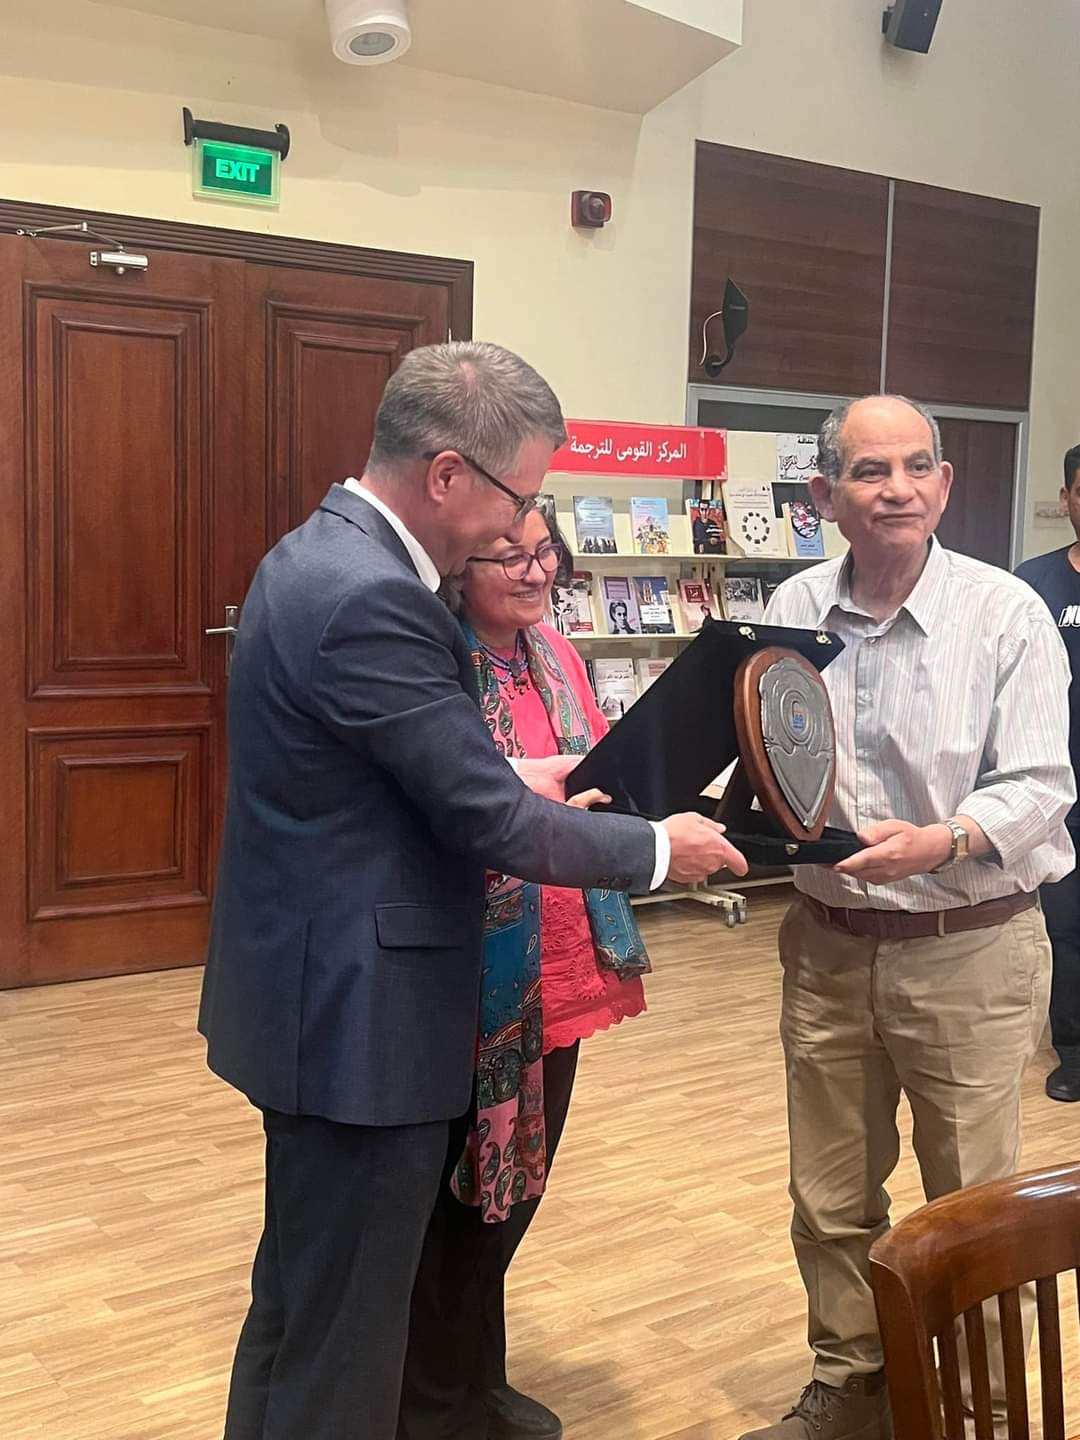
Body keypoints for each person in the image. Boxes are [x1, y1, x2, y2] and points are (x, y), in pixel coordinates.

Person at [197, 340, 746, 1440]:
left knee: (300, 1314)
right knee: (347, 1349)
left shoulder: (313, 554)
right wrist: (655, 850)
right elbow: (486, 823)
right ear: (448, 474)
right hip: (361, 1021)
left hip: (306, 996)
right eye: (517, 498)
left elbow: (393, 775)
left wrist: (518, 775)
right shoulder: (377, 595)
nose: (520, 529)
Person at [740, 395, 1074, 1440]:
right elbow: (763, 759)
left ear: (944, 483)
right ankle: (852, 1387)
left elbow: (1043, 784)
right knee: (830, 1198)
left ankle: (979, 1410)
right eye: (870, 471)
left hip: (968, 947)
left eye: (916, 467)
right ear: (824, 494)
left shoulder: (1005, 613)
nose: (897, 489)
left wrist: (947, 839)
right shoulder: (793, 606)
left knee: (975, 1209)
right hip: (828, 948)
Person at [397, 506, 649, 1440]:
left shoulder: (557, 654)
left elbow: (597, 773)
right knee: (460, 1204)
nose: (535, 570)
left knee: (514, 1192)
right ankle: (433, 1404)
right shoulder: (435, 665)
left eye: (545, 551)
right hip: (475, 972)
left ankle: (477, 1381)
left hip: (566, 962)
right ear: (457, 566)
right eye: (509, 554)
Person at [1015, 443, 1080, 1101]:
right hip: (1061, 792)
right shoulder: (1032, 585)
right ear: (1066, 500)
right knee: (1065, 928)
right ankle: (1076, 1051)